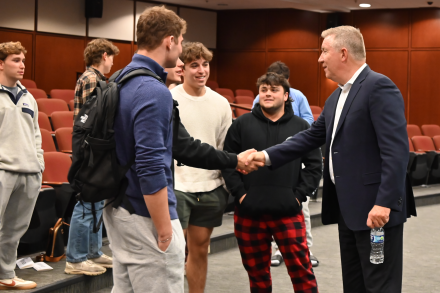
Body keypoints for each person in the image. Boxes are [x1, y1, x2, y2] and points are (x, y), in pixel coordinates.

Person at [245, 26, 417, 293]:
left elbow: (396, 152)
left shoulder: (379, 86)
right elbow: (310, 137)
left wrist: (384, 203)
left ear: (344, 53)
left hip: (376, 213)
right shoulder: (336, 96)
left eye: (324, 51)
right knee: (355, 285)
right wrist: (265, 156)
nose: (320, 58)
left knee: (380, 286)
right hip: (348, 211)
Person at [222, 72, 322, 293]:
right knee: (257, 277)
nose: (268, 93)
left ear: (286, 95)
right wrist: (240, 195)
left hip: (288, 211)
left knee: (302, 273)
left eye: (274, 89)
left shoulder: (301, 127)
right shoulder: (241, 124)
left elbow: (315, 166)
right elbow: (228, 162)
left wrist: (297, 196)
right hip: (249, 211)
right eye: (263, 89)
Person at [171, 42, 232, 293]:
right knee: (173, 255)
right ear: (182, 69)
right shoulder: (170, 98)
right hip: (177, 186)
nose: (201, 70)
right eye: (194, 65)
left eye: (205, 64)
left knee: (200, 251)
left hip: (210, 187)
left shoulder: (221, 103)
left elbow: (223, 148)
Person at [253, 61, 319, 267]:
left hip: (293, 155)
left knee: (302, 207)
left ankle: (306, 249)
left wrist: (289, 130)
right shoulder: (259, 97)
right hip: (267, 156)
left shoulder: (298, 96)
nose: (270, 91)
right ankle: (275, 251)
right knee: (270, 208)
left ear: (287, 84)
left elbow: (308, 122)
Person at [65, 38, 119, 276]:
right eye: (112, 57)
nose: (113, 63)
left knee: (96, 199)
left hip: (97, 147)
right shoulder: (91, 78)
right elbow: (91, 119)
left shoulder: (98, 79)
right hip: (90, 147)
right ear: (104, 55)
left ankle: (93, 252)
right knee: (86, 200)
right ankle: (75, 259)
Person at [0, 41, 44, 290]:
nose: (22, 65)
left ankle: (6, 274)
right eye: (15, 60)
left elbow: (36, 134)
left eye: (23, 61)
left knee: (15, 229)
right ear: (1, 63)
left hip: (29, 172)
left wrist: (39, 163)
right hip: (3, 170)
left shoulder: (29, 97)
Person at [252, 61, 314, 125]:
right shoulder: (260, 97)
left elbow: (308, 118)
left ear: (288, 80)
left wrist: (296, 129)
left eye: (282, 82)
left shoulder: (299, 96)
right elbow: (253, 117)